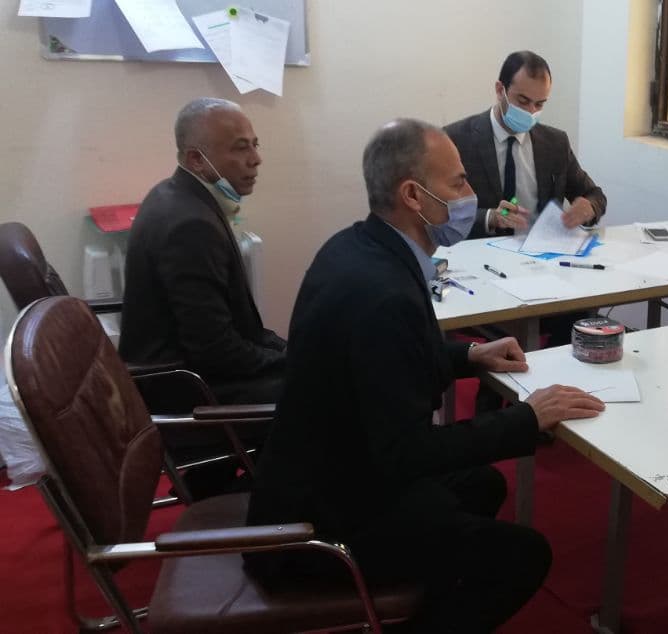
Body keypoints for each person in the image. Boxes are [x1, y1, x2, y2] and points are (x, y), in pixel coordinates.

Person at [245, 119, 605, 632]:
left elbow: (385, 363)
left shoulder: (357, 247)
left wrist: (469, 356)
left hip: (332, 468)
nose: (471, 195)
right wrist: (526, 419)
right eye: (458, 183)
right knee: (524, 555)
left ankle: (423, 591)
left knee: (482, 485)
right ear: (413, 195)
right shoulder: (383, 294)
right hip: (323, 520)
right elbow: (407, 453)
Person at [120, 97, 285, 405]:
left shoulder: (174, 194)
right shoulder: (190, 226)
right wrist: (295, 361)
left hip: (195, 370)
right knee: (327, 389)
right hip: (184, 387)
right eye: (240, 148)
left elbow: (237, 334)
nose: (256, 159)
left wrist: (292, 351)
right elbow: (216, 352)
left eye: (255, 145)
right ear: (197, 159)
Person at [441, 50, 606, 243]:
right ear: (500, 90)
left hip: (541, 252)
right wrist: (489, 217)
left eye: (539, 104)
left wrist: (589, 207)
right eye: (523, 101)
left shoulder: (555, 144)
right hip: (478, 253)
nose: (530, 111)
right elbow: (438, 211)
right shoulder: (455, 140)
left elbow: (595, 195)